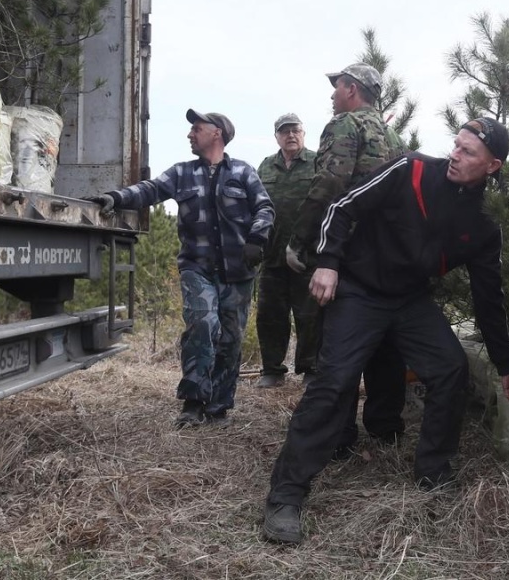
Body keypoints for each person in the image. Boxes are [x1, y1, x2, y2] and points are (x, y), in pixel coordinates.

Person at [262, 118, 509, 545]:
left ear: (493, 165)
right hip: (359, 289)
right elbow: (343, 206)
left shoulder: (483, 222)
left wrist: (506, 363)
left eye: (468, 153)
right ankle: (286, 495)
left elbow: (489, 297)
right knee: (332, 384)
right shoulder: (412, 169)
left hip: (409, 300)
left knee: (449, 368)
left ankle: (434, 472)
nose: (455, 156)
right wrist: (329, 261)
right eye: (456, 146)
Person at [93, 109, 274, 427]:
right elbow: (148, 190)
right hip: (197, 269)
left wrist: (257, 239)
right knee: (202, 326)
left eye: (197, 128)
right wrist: (116, 197)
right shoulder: (181, 173)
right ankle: (193, 402)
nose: (190, 134)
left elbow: (265, 207)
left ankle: (218, 406)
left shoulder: (244, 172)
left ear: (216, 133)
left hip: (239, 271)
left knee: (230, 339)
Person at [284, 63, 410, 448]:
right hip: (385, 255)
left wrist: (301, 238)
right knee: (385, 344)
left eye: (337, 87)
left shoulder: (344, 126)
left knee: (337, 346)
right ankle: (385, 427)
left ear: (352, 89)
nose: (333, 95)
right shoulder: (391, 134)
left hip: (345, 251)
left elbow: (331, 182)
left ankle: (337, 436)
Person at [254, 113, 320, 388]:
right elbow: (255, 204)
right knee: (270, 315)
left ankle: (311, 369)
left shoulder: (318, 162)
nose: (290, 135)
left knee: (310, 315)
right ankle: (272, 369)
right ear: (277, 137)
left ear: (303, 134)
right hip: (272, 255)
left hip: (308, 255)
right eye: (285, 131)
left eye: (295, 130)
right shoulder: (266, 166)